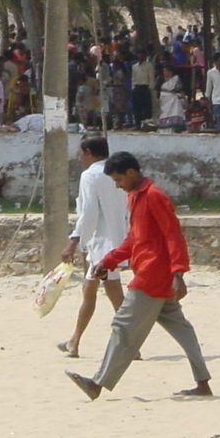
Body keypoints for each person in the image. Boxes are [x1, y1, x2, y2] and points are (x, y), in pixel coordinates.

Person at [65, 151, 211, 400]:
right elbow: (134, 238)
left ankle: (97, 384)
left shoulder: (154, 196)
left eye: (118, 180)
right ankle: (203, 382)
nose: (118, 186)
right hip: (152, 273)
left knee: (123, 326)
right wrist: (108, 260)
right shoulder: (135, 196)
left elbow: (173, 235)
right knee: (182, 329)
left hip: (152, 275)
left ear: (131, 173)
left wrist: (179, 272)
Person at [57, 137, 131, 359]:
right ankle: (75, 340)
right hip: (117, 240)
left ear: (89, 152)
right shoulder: (116, 174)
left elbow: (88, 212)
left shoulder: (90, 175)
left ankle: (129, 343)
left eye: (80, 153)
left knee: (110, 293)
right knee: (95, 291)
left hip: (102, 245)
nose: (79, 158)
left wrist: (74, 241)